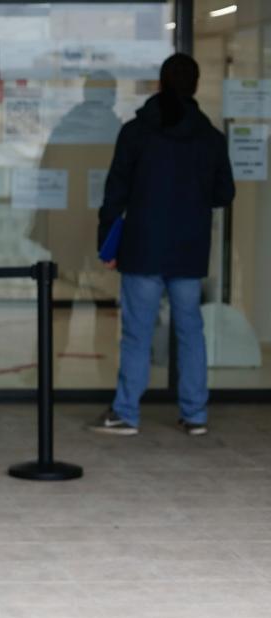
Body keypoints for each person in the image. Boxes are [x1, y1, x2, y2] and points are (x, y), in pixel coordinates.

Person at [91, 53, 234, 437]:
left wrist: (107, 240)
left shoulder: (137, 132)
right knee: (190, 331)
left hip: (143, 247)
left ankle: (126, 413)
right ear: (195, 87)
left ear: (160, 84)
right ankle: (195, 415)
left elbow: (115, 191)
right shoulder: (210, 138)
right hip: (189, 249)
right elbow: (225, 192)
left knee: (137, 332)